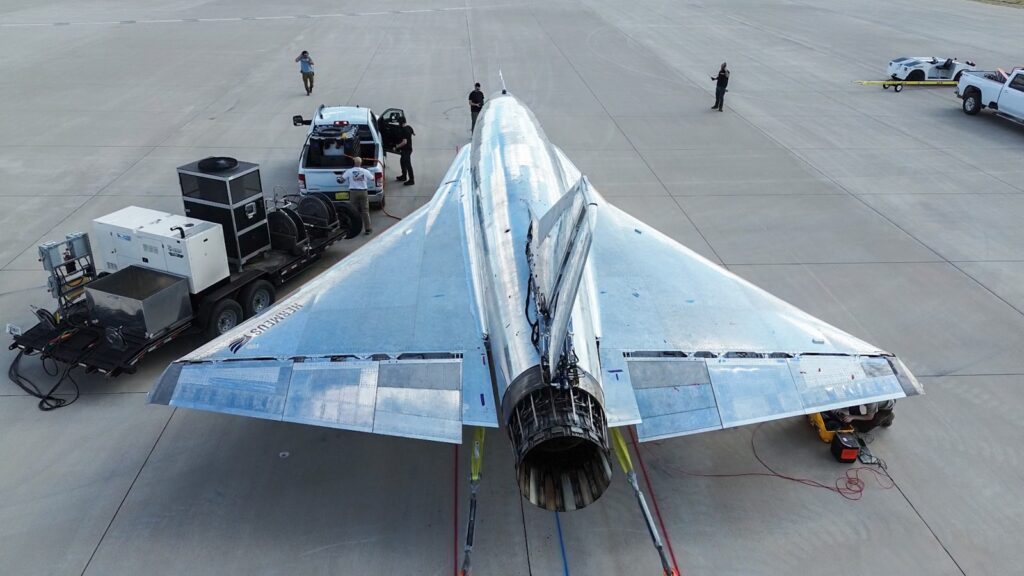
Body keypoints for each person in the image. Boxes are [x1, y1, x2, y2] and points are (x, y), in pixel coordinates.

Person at [337, 157, 373, 235]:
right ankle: (368, 229)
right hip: (363, 192)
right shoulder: (365, 171)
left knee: (353, 211)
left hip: (353, 192)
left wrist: (339, 179)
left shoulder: (349, 171)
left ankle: (353, 228)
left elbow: (341, 180)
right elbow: (372, 178)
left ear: (354, 162)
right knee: (365, 211)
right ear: (361, 163)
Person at [394, 117, 415, 186]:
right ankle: (404, 176)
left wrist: (396, 146)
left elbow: (404, 142)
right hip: (407, 149)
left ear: (401, 123)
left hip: (406, 150)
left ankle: (411, 180)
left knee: (408, 164)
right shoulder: (409, 127)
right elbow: (413, 133)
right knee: (402, 161)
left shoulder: (404, 130)